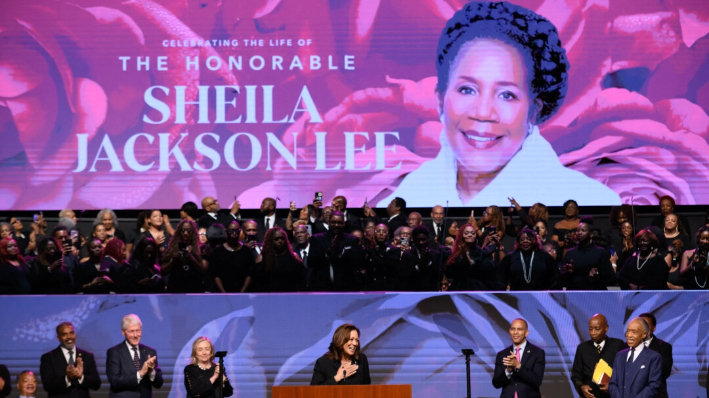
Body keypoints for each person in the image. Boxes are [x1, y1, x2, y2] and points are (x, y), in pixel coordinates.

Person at [378, 2, 620, 207]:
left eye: (506, 95)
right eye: (467, 89)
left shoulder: (588, 202)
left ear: (534, 110)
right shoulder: (408, 198)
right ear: (440, 98)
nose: (483, 112)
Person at [106, 314, 163, 398]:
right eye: (131, 331)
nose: (135, 335)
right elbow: (115, 381)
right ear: (123, 332)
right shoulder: (114, 352)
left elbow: (159, 384)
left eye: (138, 330)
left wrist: (151, 372)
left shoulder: (150, 352)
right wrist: (140, 374)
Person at [571, 314, 627, 398]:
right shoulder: (582, 348)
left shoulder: (618, 345)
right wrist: (581, 387)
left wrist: (613, 387)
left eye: (597, 329)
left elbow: (625, 372)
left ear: (606, 328)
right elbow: (576, 375)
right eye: (590, 329)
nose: (593, 333)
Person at [40, 322, 101, 398]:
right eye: (64, 334)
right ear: (58, 337)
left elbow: (96, 384)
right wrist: (67, 378)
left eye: (71, 333)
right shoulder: (48, 358)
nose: (69, 337)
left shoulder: (87, 356)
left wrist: (81, 377)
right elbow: (48, 386)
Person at [308, 211, 363, 291]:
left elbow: (358, 262)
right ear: (329, 222)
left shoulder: (352, 240)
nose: (336, 225)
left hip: (345, 287)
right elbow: (311, 262)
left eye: (339, 223)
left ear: (344, 223)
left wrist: (342, 251)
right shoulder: (317, 239)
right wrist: (327, 253)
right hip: (321, 287)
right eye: (333, 222)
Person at [608, 317, 662, 398]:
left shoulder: (654, 357)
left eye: (634, 332)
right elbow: (612, 383)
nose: (629, 335)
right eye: (628, 331)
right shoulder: (620, 355)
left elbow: (653, 386)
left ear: (644, 334)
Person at [492, 318, 545, 398]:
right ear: (509, 331)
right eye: (513, 329)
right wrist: (508, 371)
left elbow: (537, 381)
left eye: (519, 329)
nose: (515, 332)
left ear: (526, 333)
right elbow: (496, 383)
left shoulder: (537, 353)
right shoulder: (502, 354)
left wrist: (518, 366)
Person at [562, 221, 616, 290]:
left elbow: (611, 278)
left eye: (583, 230)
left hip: (595, 293)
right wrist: (569, 272)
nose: (580, 233)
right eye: (578, 231)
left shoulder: (600, 252)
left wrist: (597, 274)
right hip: (575, 294)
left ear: (591, 234)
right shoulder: (570, 253)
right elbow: (562, 279)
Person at [445, 223, 498, 290]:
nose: (470, 235)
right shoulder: (457, 254)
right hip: (460, 290)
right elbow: (450, 273)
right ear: (462, 236)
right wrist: (461, 256)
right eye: (466, 233)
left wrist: (468, 259)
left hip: (477, 289)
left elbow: (486, 271)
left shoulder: (482, 253)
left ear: (475, 236)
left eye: (473, 233)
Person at [252, 226, 306, 292]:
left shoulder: (293, 257)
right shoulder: (262, 258)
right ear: (271, 241)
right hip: (269, 297)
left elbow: (301, 280)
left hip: (289, 296)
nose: (280, 241)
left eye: (282, 238)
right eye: (276, 239)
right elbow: (257, 282)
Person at [161, 219, 207, 293]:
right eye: (183, 230)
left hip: (194, 288)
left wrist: (191, 258)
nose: (185, 233)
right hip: (176, 288)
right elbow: (163, 271)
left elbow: (203, 270)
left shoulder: (200, 249)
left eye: (188, 230)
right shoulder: (171, 249)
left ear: (193, 232)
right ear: (179, 232)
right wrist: (173, 260)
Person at [211, 221, 254, 293]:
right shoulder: (218, 251)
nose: (234, 233)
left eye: (237, 231)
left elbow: (250, 274)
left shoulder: (246, 251)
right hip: (222, 294)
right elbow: (215, 274)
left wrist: (241, 293)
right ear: (226, 232)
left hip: (242, 293)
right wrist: (224, 294)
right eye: (231, 230)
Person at [638, 313, 673, 398]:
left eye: (647, 325)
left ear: (654, 328)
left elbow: (665, 372)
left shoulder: (664, 347)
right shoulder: (626, 347)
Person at [362, 223, 400, 291]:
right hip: (371, 286)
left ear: (388, 235)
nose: (381, 233)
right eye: (378, 231)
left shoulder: (394, 250)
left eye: (384, 231)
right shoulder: (369, 249)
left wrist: (377, 249)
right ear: (374, 234)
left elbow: (389, 263)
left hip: (388, 286)